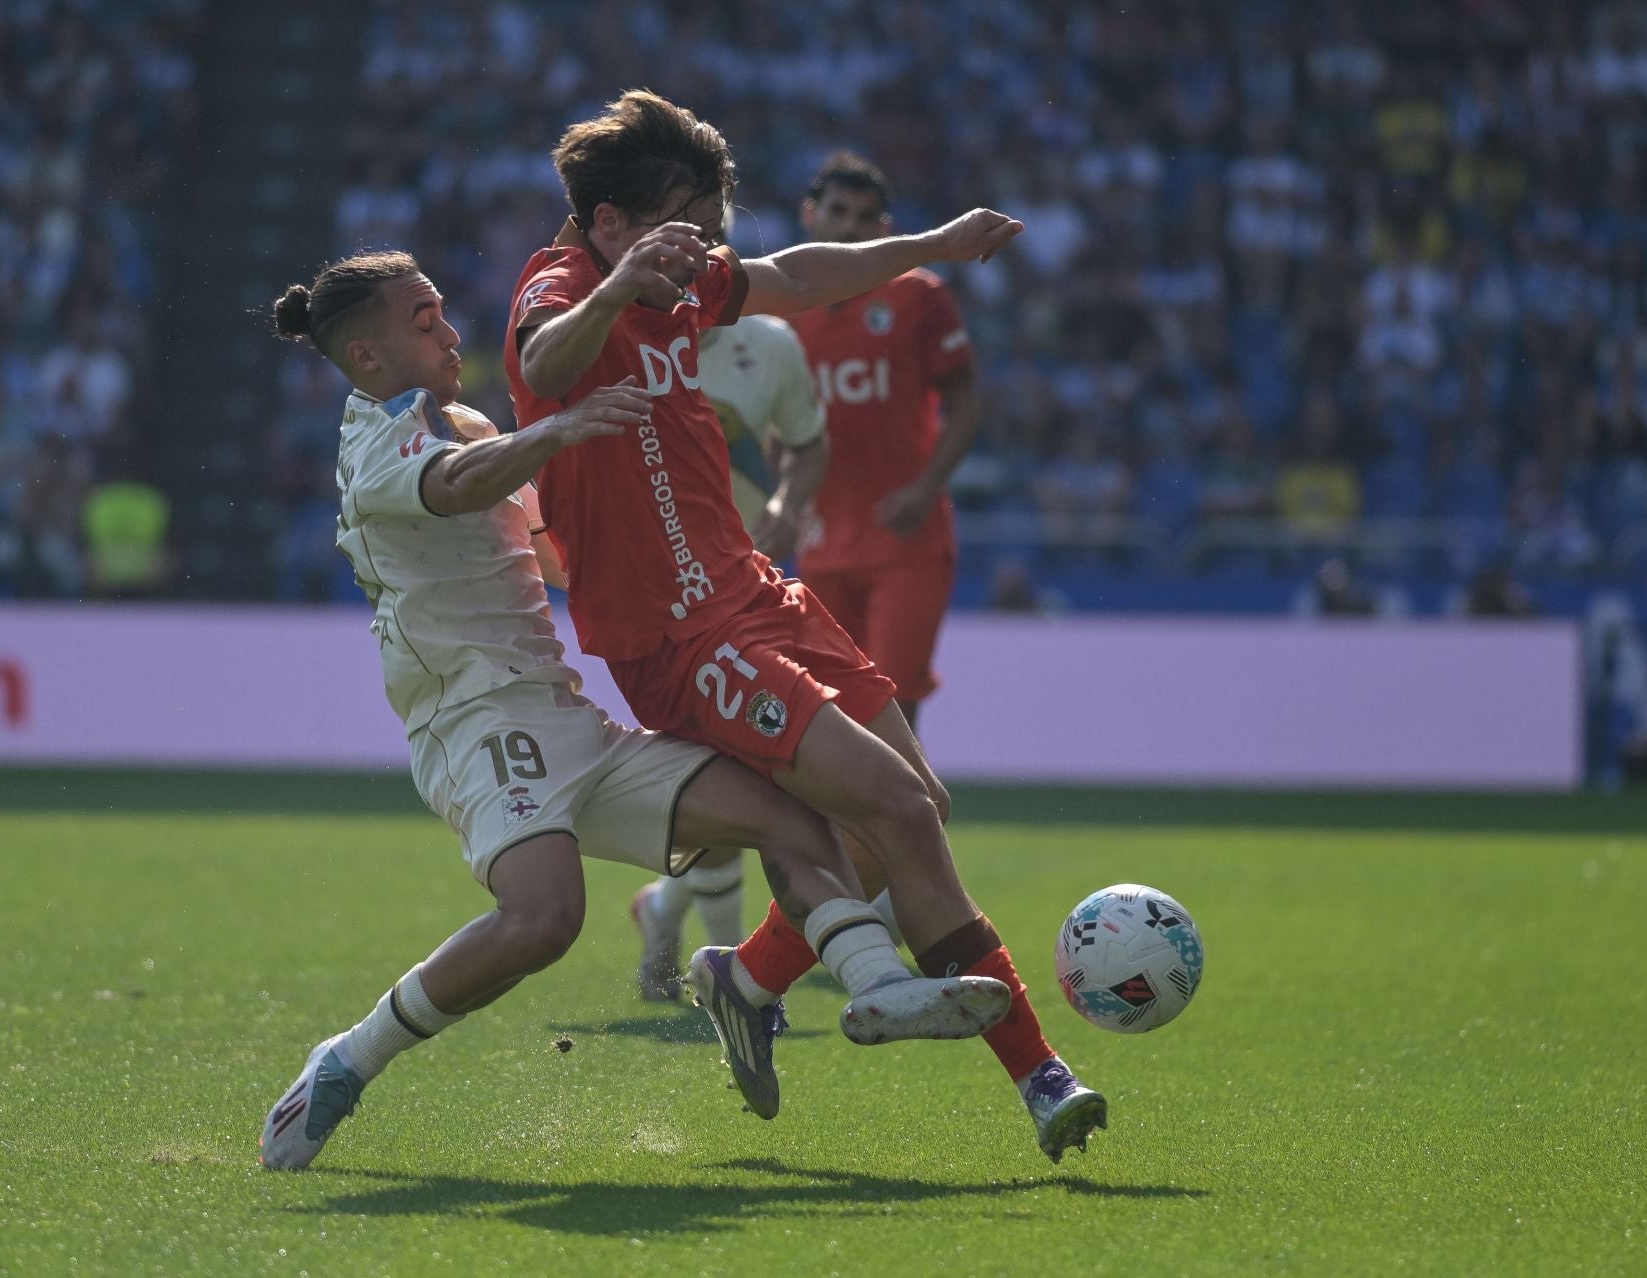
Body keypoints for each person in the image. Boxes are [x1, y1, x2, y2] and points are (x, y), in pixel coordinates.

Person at [257, 252, 1008, 1171]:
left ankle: (878, 983)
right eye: (424, 321)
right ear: (367, 357)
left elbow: (553, 547)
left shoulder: (459, 421)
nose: (452, 333)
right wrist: (562, 431)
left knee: (792, 817)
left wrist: (691, 557)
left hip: (568, 720)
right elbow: (457, 483)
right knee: (545, 922)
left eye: (443, 311)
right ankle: (346, 1060)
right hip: (480, 730)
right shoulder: (380, 446)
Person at [505, 90, 1106, 1160]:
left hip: (757, 590)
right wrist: (621, 291)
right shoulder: (560, 286)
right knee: (894, 813)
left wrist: (936, 243)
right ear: (610, 225)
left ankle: (745, 978)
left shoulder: (684, 282)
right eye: (687, 223)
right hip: (678, 636)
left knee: (918, 807)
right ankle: (1042, 1080)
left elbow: (799, 277)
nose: (707, 250)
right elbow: (544, 364)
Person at [631, 247, 830, 1000]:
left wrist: (782, 505)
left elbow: (810, 444)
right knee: (727, 779)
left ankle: (675, 919)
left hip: (750, 587)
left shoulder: (769, 343)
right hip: (664, 608)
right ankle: (723, 966)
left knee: (759, 778)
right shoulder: (618, 335)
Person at [785, 152, 978, 733]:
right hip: (820, 542)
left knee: (892, 714)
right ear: (809, 214)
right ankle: (841, 829)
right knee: (833, 718)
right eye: (838, 212)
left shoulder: (918, 298)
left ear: (885, 230)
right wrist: (784, 499)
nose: (849, 228)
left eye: (865, 218)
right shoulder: (779, 310)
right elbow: (773, 422)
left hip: (905, 537)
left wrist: (926, 488)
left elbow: (966, 402)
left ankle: (905, 825)